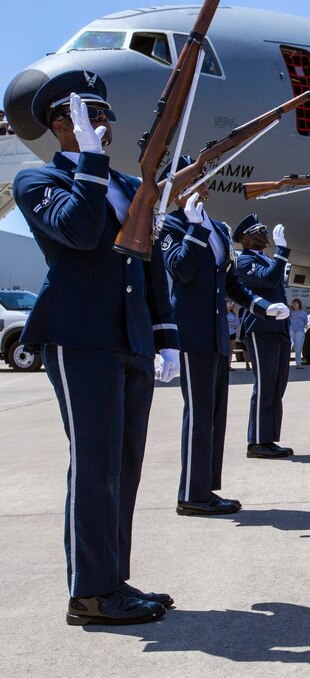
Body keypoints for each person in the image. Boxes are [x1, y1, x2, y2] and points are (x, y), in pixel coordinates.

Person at [13, 71, 177, 625]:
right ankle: (89, 594)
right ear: (60, 126)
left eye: (103, 116)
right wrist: (87, 160)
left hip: (129, 337)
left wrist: (165, 337)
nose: (101, 125)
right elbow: (80, 234)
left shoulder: (129, 186)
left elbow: (147, 262)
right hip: (78, 336)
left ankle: (114, 580)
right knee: (94, 463)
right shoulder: (37, 181)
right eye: (87, 117)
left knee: (124, 466)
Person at [159, 156, 290, 518]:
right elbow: (182, 270)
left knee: (215, 415)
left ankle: (204, 489)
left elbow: (231, 283)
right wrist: (194, 227)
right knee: (199, 412)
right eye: (196, 179)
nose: (205, 185)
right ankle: (190, 493)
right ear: (179, 188)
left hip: (217, 333)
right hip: (190, 331)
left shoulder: (218, 228)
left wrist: (263, 307)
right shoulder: (169, 226)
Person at [235, 214, 295, 459]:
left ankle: (268, 439)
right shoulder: (244, 260)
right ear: (245, 239)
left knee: (277, 385)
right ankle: (257, 442)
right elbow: (268, 280)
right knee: (265, 385)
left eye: (263, 229)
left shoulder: (264, 258)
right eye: (258, 230)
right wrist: (282, 252)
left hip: (278, 328)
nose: (264, 233)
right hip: (260, 327)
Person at [288, 299, 307, 369]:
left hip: (300, 331)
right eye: (293, 304)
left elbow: (306, 321)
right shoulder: (290, 312)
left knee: (298, 348)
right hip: (291, 331)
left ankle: (298, 363)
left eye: (296, 303)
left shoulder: (303, 313)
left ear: (299, 304)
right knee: (288, 346)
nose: (295, 305)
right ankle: (286, 363)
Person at [225, 300, 241, 367]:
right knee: (225, 349)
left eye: (231, 304)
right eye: (228, 304)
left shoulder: (234, 314)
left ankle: (229, 365)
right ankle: (224, 365)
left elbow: (237, 324)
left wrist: (233, 325)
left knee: (231, 350)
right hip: (225, 334)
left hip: (232, 334)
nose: (230, 305)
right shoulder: (222, 314)